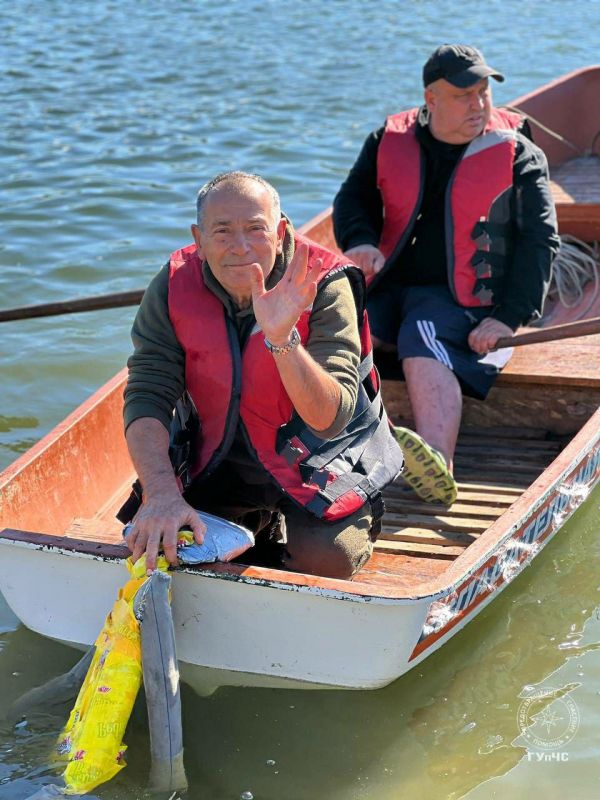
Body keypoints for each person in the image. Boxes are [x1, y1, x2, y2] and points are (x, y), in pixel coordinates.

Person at [122, 171, 404, 579]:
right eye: (222, 232)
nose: (241, 247)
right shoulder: (172, 284)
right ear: (198, 239)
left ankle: (342, 519)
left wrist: (281, 339)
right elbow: (147, 392)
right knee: (158, 540)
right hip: (219, 457)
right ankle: (258, 524)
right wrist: (161, 492)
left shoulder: (325, 284)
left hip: (321, 457)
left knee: (328, 561)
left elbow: (330, 418)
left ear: (280, 230)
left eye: (256, 229)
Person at [332, 44, 560, 506]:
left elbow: (541, 243)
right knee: (337, 328)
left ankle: (437, 460)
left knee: (425, 334)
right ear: (430, 99)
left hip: (467, 297)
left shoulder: (519, 155)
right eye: (464, 95)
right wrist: (360, 241)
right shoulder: (387, 140)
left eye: (483, 93)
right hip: (391, 282)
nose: (478, 105)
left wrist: (509, 317)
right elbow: (352, 199)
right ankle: (329, 450)